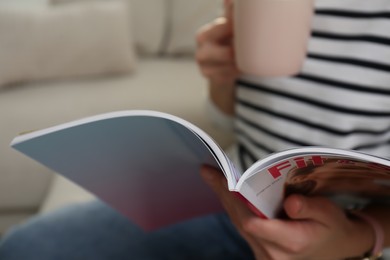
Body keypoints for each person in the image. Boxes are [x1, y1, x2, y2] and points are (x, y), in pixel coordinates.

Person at [1, 0, 390, 259]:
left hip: (349, 230)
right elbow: (226, 118)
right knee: (27, 247)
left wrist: (362, 236)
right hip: (231, 202)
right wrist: (221, 79)